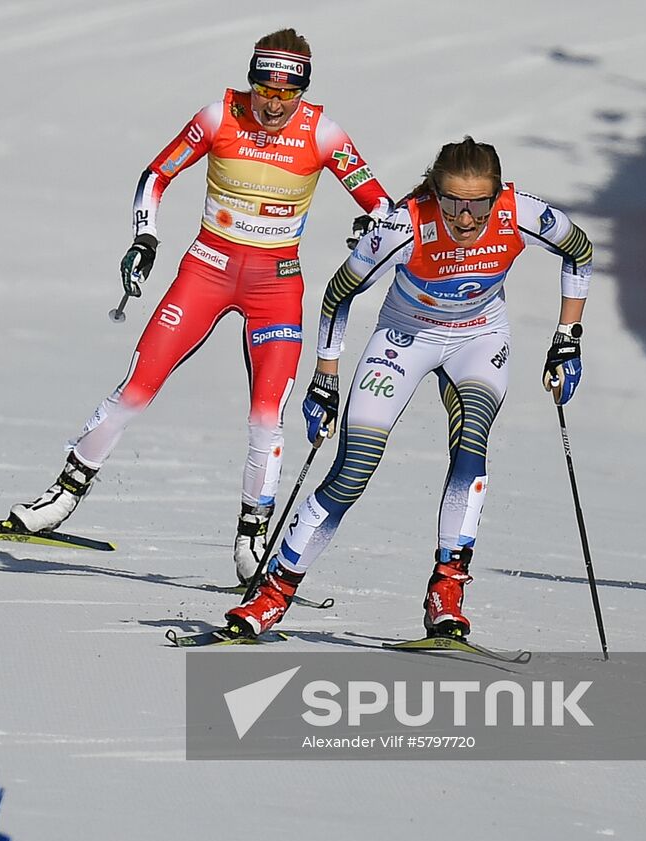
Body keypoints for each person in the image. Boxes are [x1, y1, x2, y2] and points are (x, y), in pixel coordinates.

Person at [8, 29, 393, 583]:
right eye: (265, 88)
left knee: (267, 416)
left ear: (303, 91)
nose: (274, 103)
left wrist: (371, 224)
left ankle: (251, 537)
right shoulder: (219, 117)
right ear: (252, 80)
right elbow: (157, 173)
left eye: (288, 94)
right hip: (207, 270)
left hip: (276, 285)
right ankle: (64, 493)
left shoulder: (323, 133)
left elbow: (380, 202)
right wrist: (145, 236)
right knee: (138, 385)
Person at [224, 136, 594, 639]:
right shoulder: (403, 227)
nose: (465, 219)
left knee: (472, 446)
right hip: (405, 336)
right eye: (452, 203)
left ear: (498, 195)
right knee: (353, 469)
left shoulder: (520, 213)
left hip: (479, 337)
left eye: (478, 204)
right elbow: (339, 293)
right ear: (433, 194)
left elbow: (580, 251)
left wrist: (567, 336)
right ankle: (273, 593)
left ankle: (448, 589)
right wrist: (325, 377)